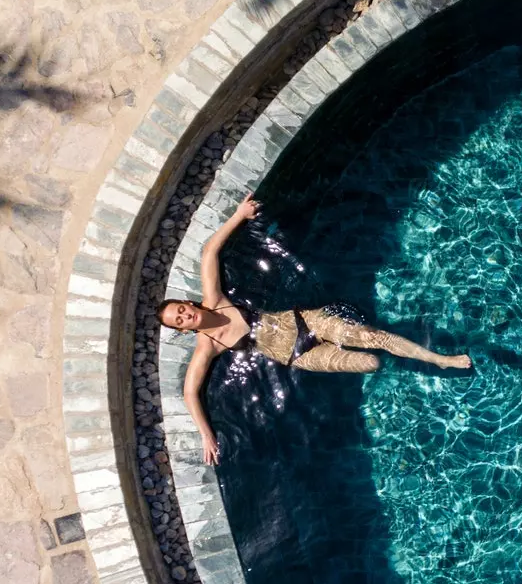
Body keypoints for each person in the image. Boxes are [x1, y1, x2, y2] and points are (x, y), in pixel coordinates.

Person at [160, 193, 472, 464]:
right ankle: (356, 337)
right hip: (299, 356)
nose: (184, 316)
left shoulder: (215, 298)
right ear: (184, 330)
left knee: (371, 337)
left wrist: (239, 216)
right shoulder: (208, 346)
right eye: (179, 320)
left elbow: (208, 253)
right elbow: (190, 392)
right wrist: (206, 436)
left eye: (181, 309)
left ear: (190, 304)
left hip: (305, 320)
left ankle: (440, 359)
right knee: (371, 362)